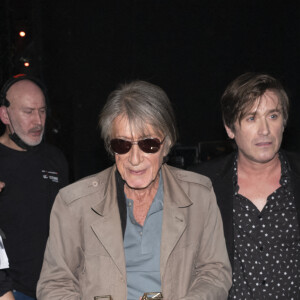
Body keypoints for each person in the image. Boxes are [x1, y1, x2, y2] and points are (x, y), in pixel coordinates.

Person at [37, 80, 232, 299]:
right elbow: (54, 284)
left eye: (149, 144)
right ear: (111, 148)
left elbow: (215, 273)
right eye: (123, 145)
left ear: (166, 143)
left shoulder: (198, 196)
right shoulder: (74, 204)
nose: (135, 159)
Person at [191, 72, 300, 299]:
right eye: (251, 118)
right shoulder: (203, 184)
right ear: (230, 128)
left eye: (272, 116)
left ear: (284, 122)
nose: (264, 130)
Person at [0, 74, 69, 300]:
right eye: (28, 112)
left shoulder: (55, 159)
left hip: (53, 289)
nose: (38, 121)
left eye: (42, 111)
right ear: (4, 114)